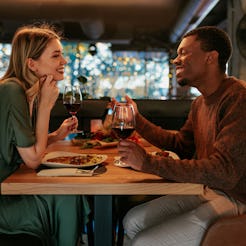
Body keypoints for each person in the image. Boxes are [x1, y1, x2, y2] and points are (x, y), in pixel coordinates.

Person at [116, 26, 246, 245]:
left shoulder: (238, 99)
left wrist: (146, 162)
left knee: (144, 242)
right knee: (132, 221)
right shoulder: (199, 103)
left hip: (237, 197)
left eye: (184, 53)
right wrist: (136, 120)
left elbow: (224, 172)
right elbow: (181, 145)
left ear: (210, 58)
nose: (175, 60)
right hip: (209, 188)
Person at [0, 24, 90, 246]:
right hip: (5, 201)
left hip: (12, 187)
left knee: (71, 192)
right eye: (56, 55)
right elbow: (32, 159)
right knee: (68, 195)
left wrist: (55, 136)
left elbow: (23, 149)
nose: (64, 62)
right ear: (32, 63)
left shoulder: (25, 91)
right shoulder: (12, 90)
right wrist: (46, 108)